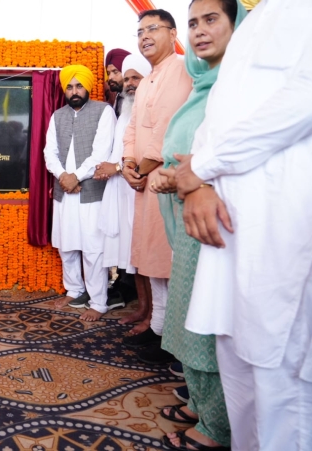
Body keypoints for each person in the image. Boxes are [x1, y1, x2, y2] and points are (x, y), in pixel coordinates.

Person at [173, 0, 312, 448]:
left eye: (210, 19)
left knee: (281, 375)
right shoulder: (260, 20)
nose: (200, 30)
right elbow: (217, 119)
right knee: (239, 365)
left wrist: (205, 167)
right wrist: (197, 182)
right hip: (227, 227)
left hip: (276, 221)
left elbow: (302, 98)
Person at [149, 0, 246, 449]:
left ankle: (218, 426)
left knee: (209, 323)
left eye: (212, 20)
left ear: (238, 25)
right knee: (191, 318)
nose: (200, 31)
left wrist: (186, 173)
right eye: (193, 23)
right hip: (189, 220)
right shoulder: (204, 83)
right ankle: (203, 405)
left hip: (219, 226)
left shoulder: (242, 83)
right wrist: (175, 174)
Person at [120, 9, 193, 364]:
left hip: (165, 180)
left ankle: (170, 336)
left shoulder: (180, 68)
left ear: (173, 32)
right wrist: (126, 165)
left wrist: (141, 168)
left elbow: (167, 124)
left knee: (167, 260)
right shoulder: (147, 79)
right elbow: (132, 129)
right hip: (144, 181)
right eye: (139, 31)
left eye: (152, 29)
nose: (144, 36)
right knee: (152, 260)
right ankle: (158, 327)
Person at [43, 64, 116, 321]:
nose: (74, 91)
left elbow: (101, 152)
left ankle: (98, 302)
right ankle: (74, 290)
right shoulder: (57, 115)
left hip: (91, 190)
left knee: (93, 246)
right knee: (66, 244)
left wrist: (76, 176)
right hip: (65, 191)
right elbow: (49, 152)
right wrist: (63, 176)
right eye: (70, 87)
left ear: (88, 87)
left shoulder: (103, 111)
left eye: (79, 86)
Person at [94, 54, 151, 306]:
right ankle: (143, 308)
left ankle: (152, 312)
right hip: (122, 186)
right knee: (130, 252)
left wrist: (116, 167)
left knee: (142, 251)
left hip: (139, 187)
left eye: (134, 77)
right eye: (126, 78)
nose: (128, 83)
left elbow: (149, 151)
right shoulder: (127, 107)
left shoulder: (150, 107)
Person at [104, 48, 131, 118]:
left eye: (115, 72)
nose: (110, 77)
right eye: (108, 73)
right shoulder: (119, 96)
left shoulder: (134, 97)